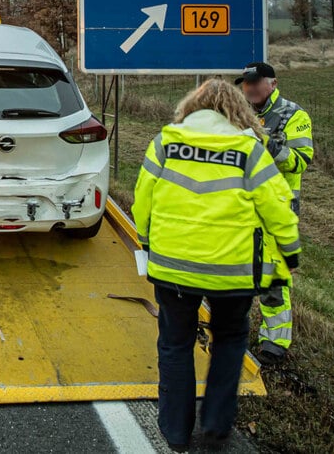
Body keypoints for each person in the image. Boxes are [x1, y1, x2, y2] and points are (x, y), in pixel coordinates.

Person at [132, 78, 300, 452]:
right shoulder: (249, 149)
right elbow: (278, 207)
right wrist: (291, 253)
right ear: (237, 111)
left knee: (175, 343)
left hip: (173, 265)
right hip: (232, 270)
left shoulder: (166, 142)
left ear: (192, 107)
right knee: (230, 340)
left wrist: (146, 240)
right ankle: (216, 425)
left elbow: (143, 198)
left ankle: (175, 432)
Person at [235, 62, 314, 364]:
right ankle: (234, 331)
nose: (250, 88)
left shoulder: (294, 115)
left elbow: (300, 161)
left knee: (274, 275)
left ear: (273, 83)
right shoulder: (239, 112)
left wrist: (264, 143)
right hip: (241, 203)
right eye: (245, 83)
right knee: (238, 270)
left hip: (278, 207)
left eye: (256, 82)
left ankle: (275, 342)